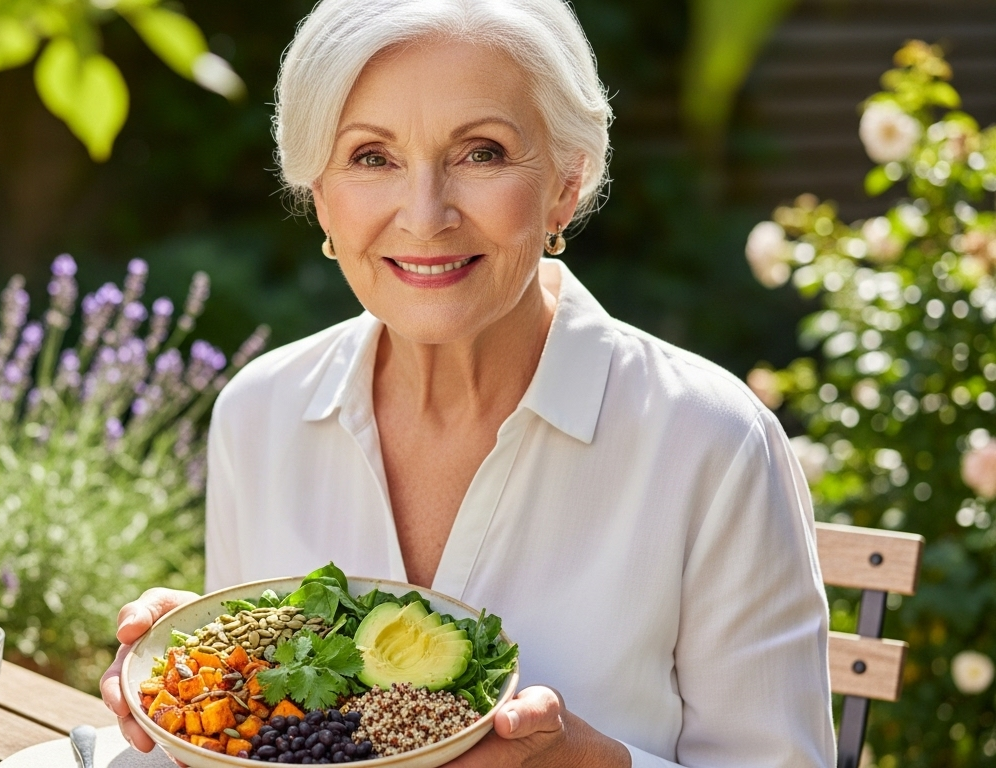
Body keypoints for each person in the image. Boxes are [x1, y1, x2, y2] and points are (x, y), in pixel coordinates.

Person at [100, 1, 836, 765]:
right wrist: (196, 684)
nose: (425, 216)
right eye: (371, 157)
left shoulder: (712, 441)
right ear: (320, 194)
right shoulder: (261, 412)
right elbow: (270, 730)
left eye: (481, 152)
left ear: (566, 182)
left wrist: (576, 761)